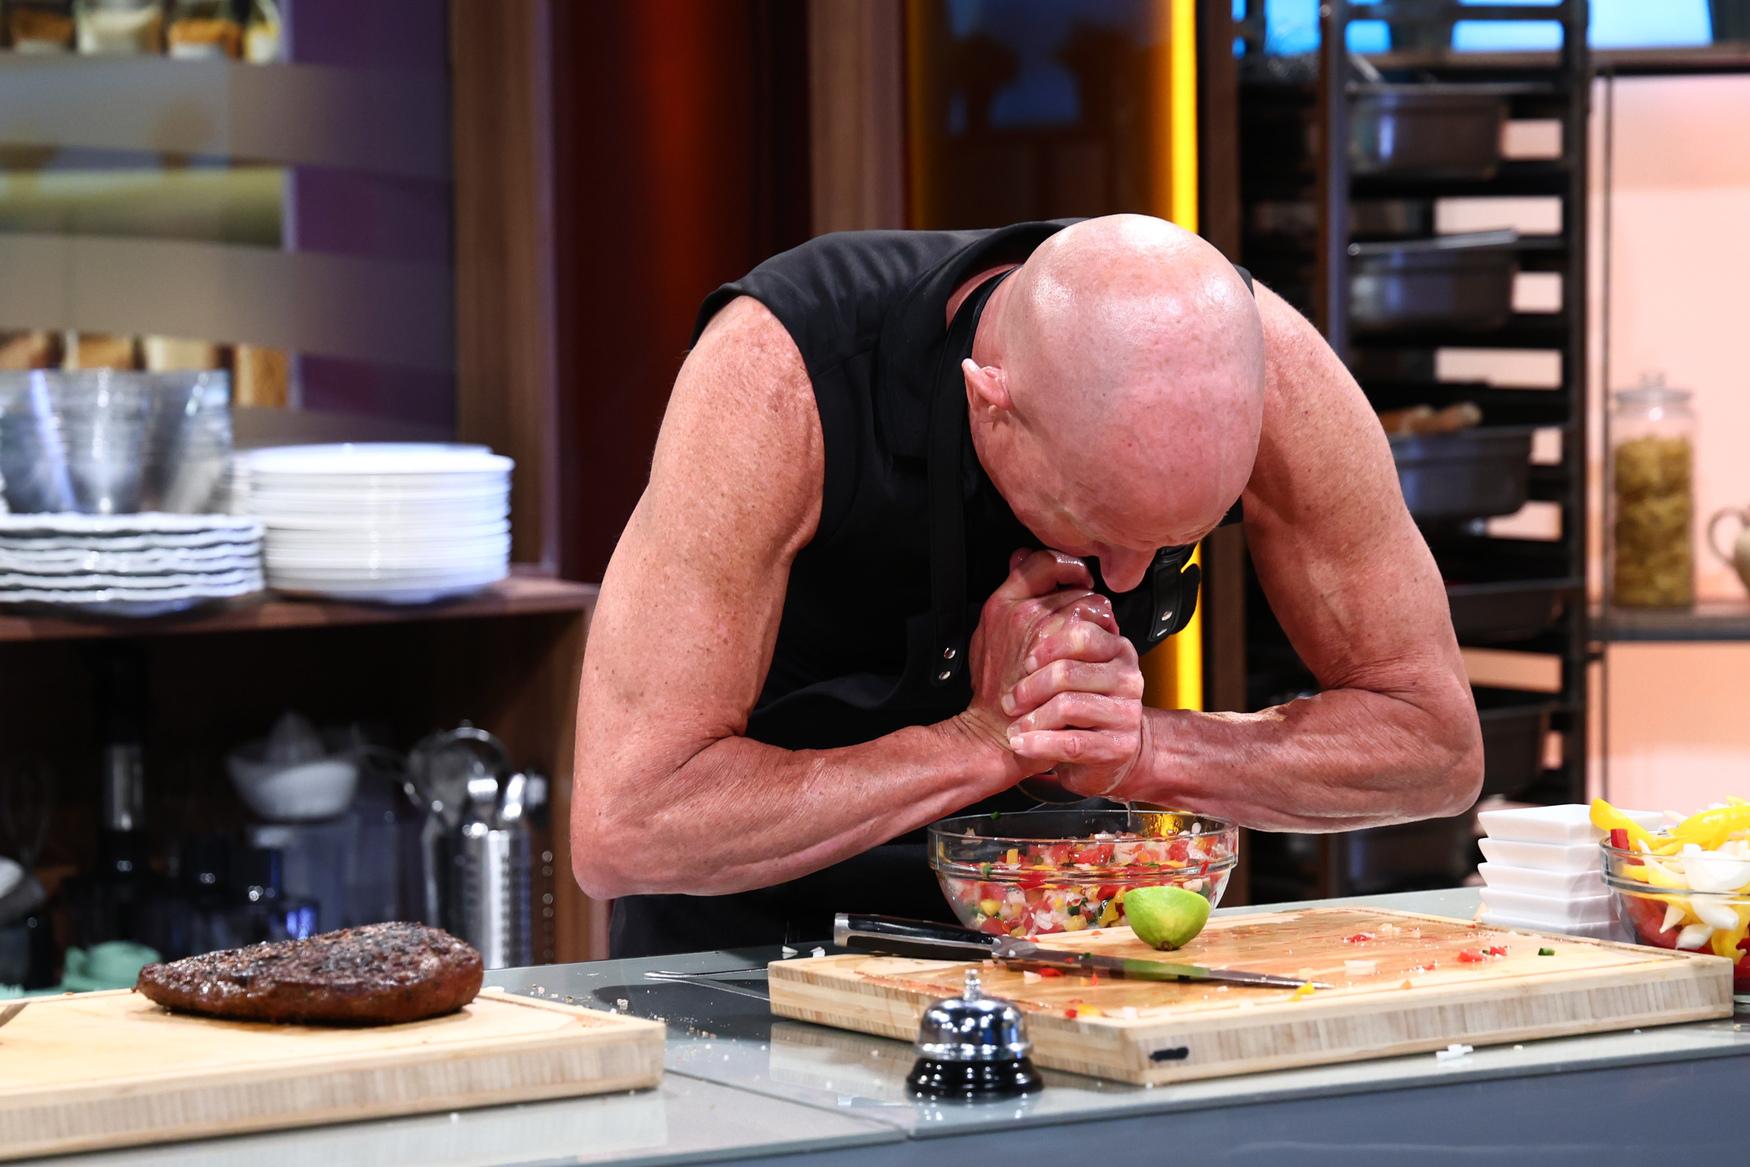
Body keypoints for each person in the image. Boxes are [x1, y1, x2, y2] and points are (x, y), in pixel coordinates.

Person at [573, 214, 1482, 958]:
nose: (1127, 579)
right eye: (1095, 528)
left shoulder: (1267, 366)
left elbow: (1437, 748)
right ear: (990, 404)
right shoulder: (781, 378)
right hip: (743, 941)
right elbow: (627, 824)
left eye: (1176, 543)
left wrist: (1145, 751)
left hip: (1061, 935)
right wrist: (984, 741)